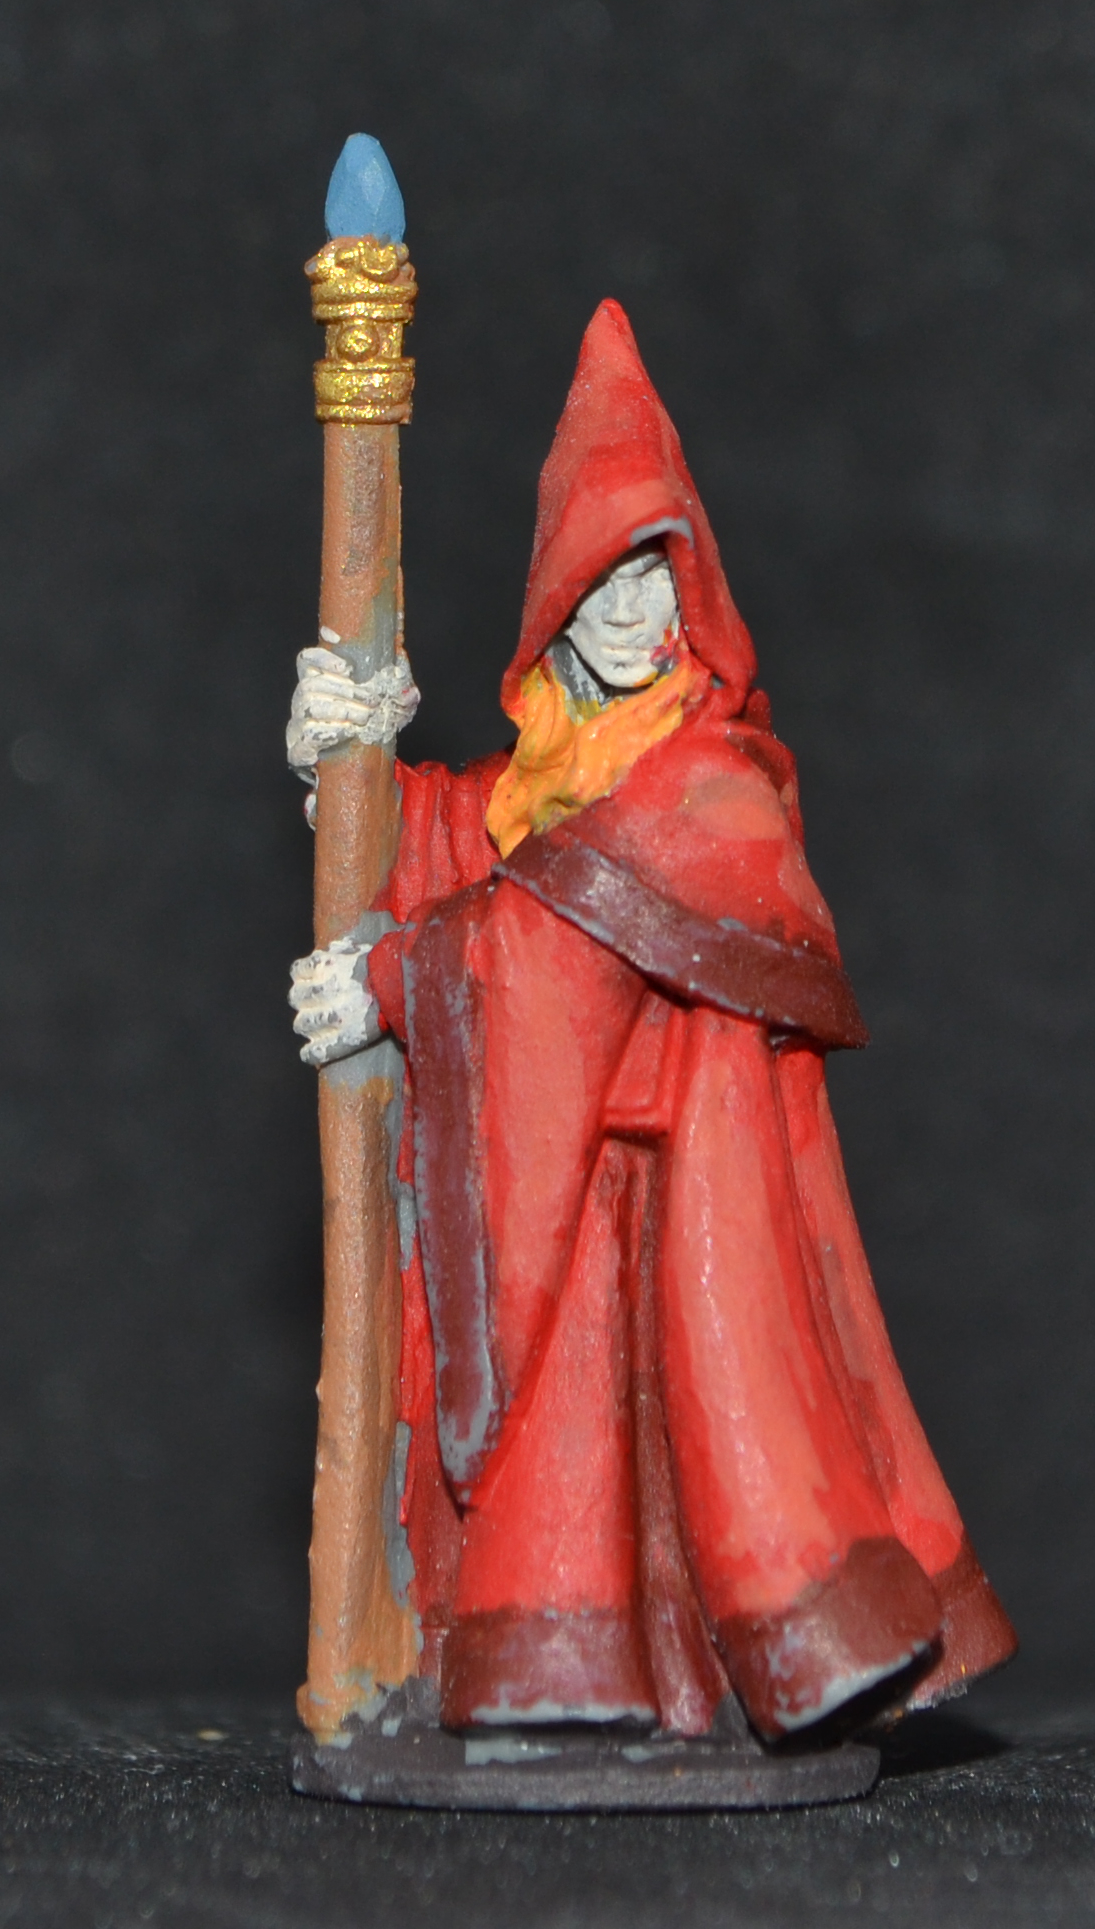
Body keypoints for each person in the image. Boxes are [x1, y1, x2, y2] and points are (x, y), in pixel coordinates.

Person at [288, 299, 1016, 1740]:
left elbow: (566, 921)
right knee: (572, 1471)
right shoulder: (556, 761)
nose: (629, 613)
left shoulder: (719, 773)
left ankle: (749, 1660)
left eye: (656, 576)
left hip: (682, 1196)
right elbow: (486, 846)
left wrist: (396, 977)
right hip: (575, 1197)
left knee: (710, 1452)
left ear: (695, 593)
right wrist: (349, 765)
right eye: (602, 579)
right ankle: (580, 1677)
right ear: (557, 600)